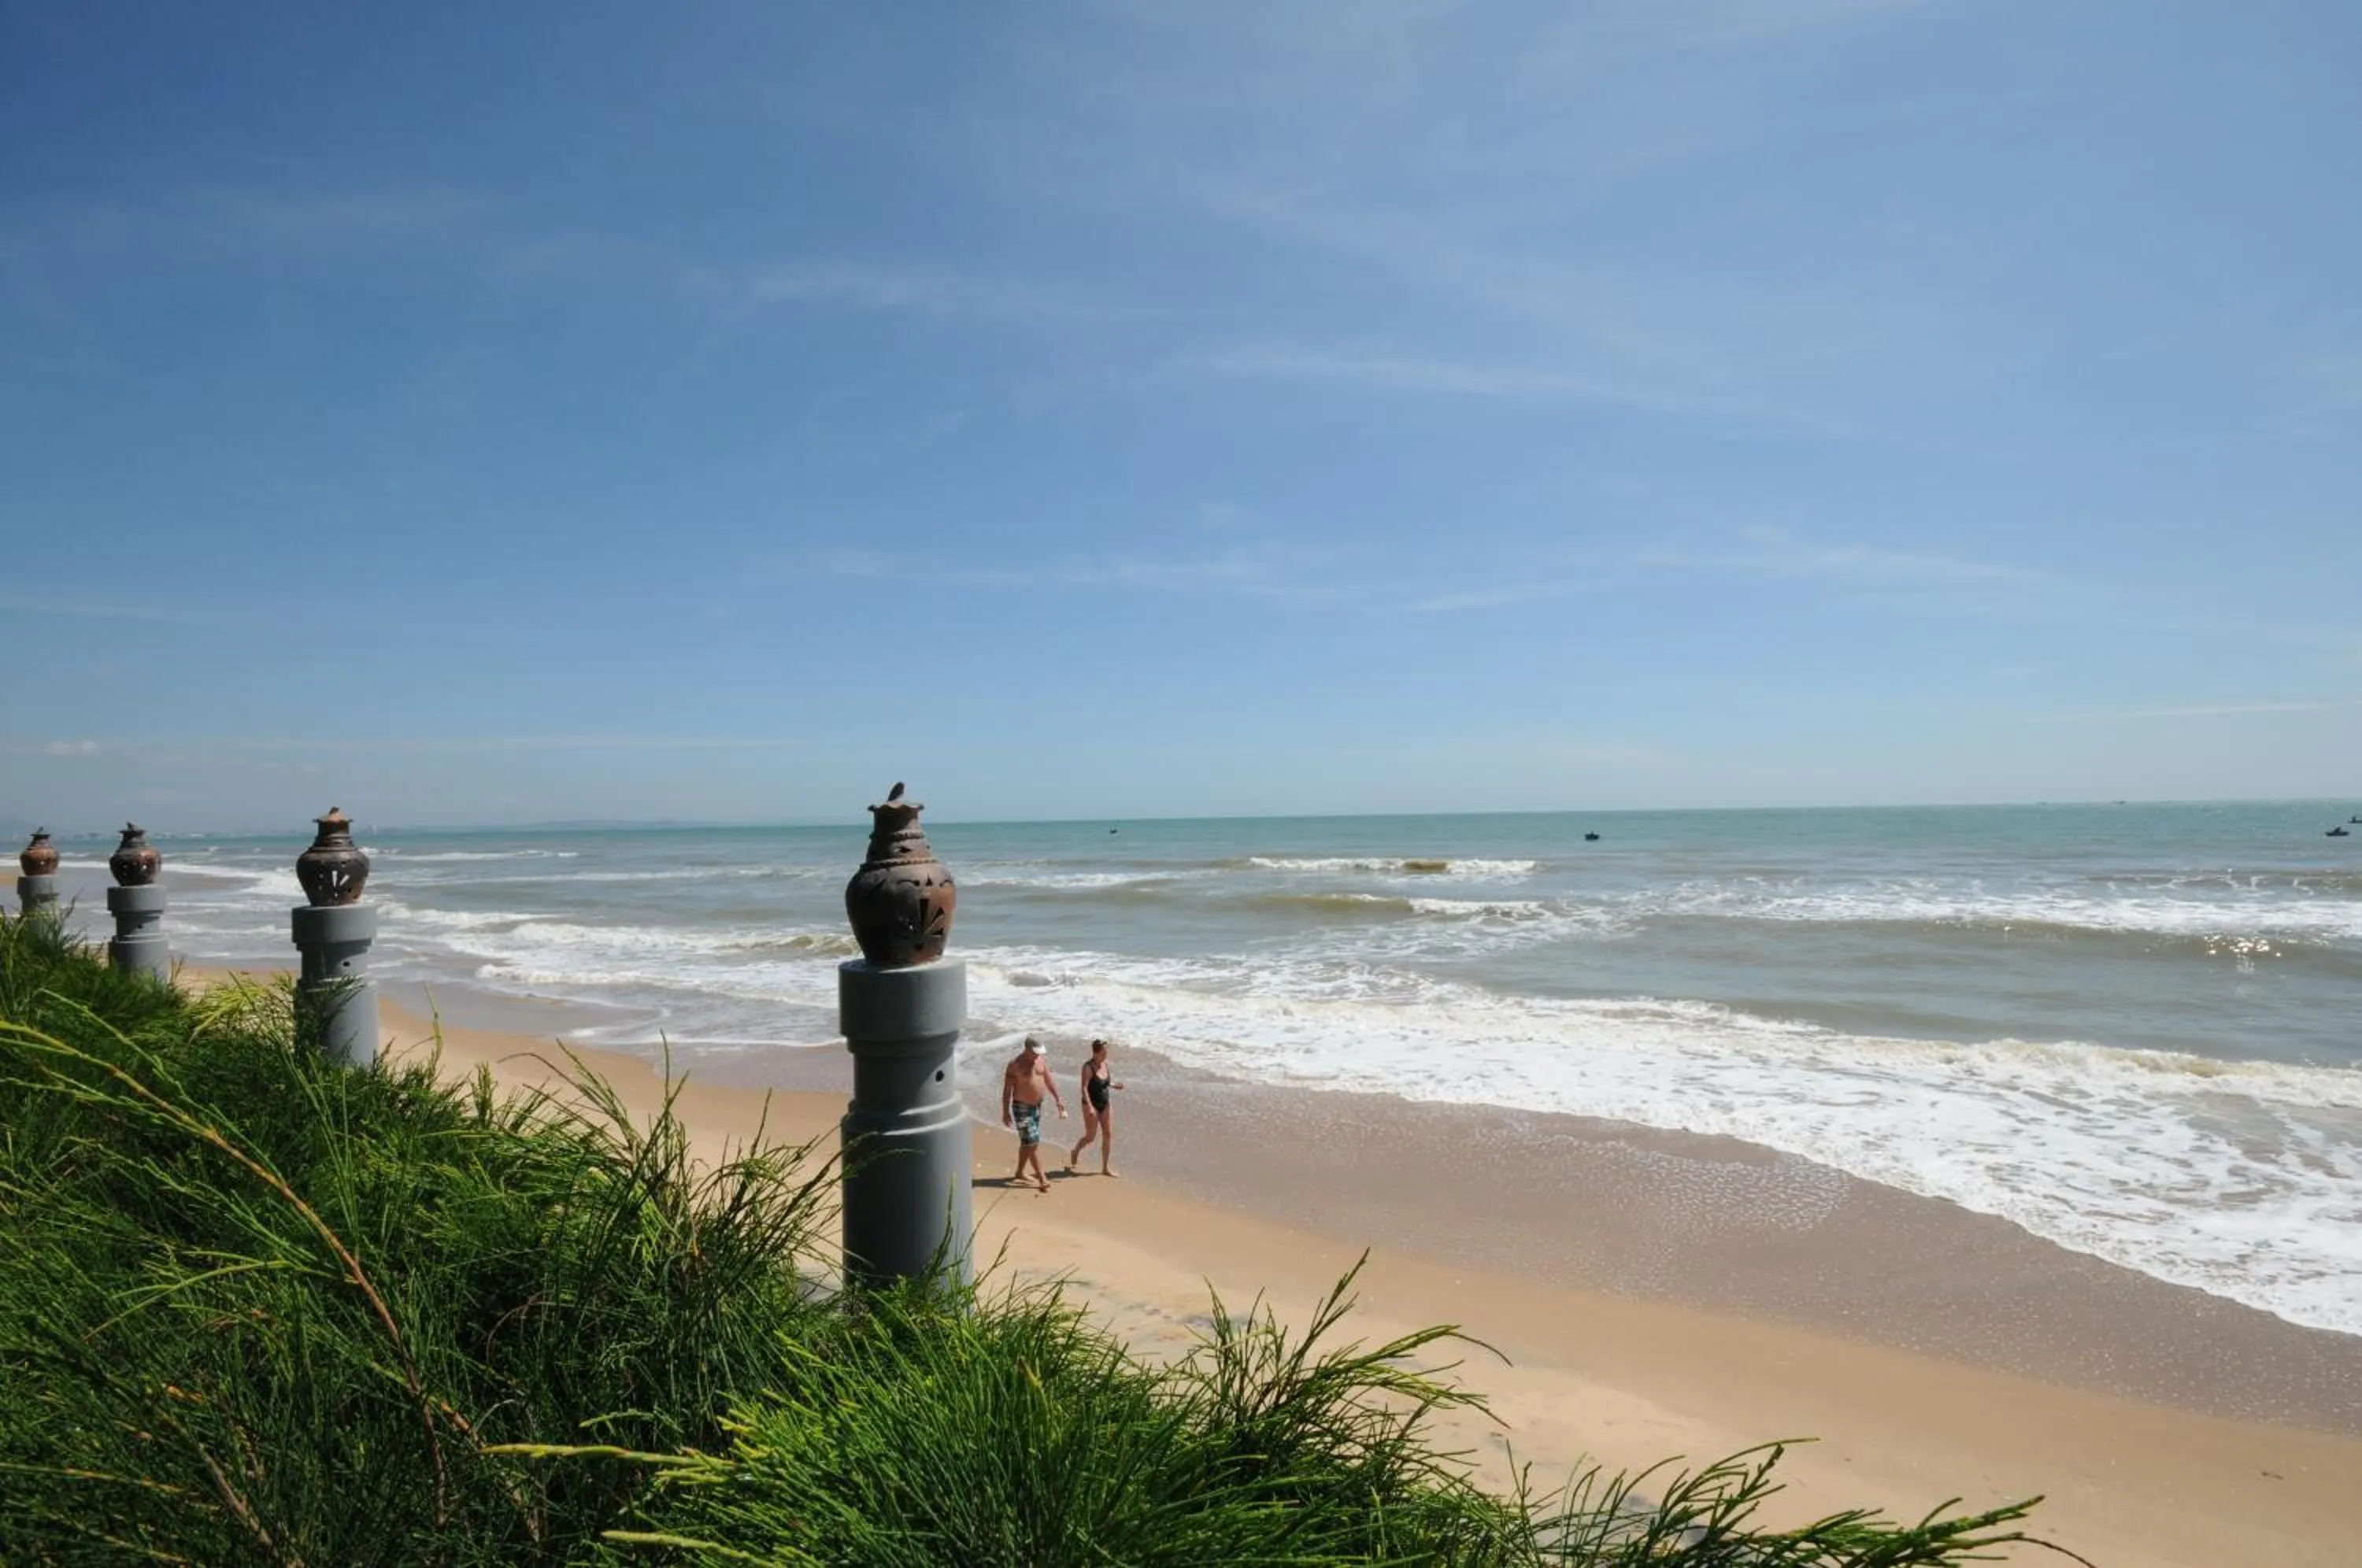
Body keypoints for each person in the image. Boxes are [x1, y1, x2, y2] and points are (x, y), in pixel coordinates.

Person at [1000, 1036, 1067, 1193]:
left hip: (1037, 1107)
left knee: (1027, 1142)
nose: (1037, 1055)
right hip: (1021, 1108)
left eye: (1039, 1053)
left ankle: (1019, 1172)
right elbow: (1007, 1091)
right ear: (1027, 1049)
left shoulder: (1041, 1062)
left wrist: (1059, 1100)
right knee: (1032, 1142)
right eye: (1035, 1053)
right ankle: (1042, 1179)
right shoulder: (1015, 1065)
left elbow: (1049, 1082)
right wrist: (1005, 1112)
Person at [1065, 1037, 1125, 1178]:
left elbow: (1103, 1083)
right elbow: (1084, 1088)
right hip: (1090, 1105)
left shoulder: (1105, 1064)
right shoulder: (1088, 1067)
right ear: (1096, 1053)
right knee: (1090, 1137)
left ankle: (1105, 1168)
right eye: (1104, 1052)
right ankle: (1075, 1150)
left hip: (1105, 1103)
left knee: (1108, 1134)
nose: (1106, 1054)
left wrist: (1114, 1085)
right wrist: (1091, 1107)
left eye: (1106, 1052)